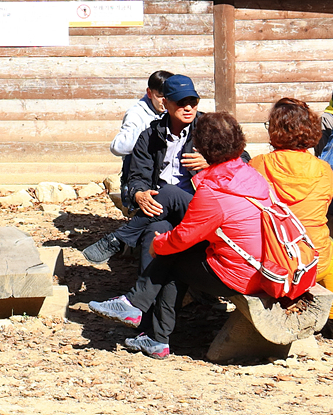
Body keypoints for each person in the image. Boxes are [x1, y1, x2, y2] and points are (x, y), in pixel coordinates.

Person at [88, 111, 272, 359]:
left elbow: (183, 238)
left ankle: (147, 324)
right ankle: (145, 323)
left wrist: (158, 244)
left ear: (203, 149)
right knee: (167, 222)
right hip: (259, 264)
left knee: (172, 256)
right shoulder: (247, 173)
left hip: (239, 274)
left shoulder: (212, 190)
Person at [250, 98, 333, 341]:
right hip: (314, 261)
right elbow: (322, 207)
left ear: (274, 130)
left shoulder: (258, 165)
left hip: (274, 260)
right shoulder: (323, 169)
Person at [80, 74, 207, 266]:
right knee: (156, 230)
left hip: (201, 205)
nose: (188, 107)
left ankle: (119, 239)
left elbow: (241, 160)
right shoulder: (150, 135)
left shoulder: (210, 128)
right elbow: (138, 175)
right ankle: (145, 286)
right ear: (166, 103)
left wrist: (211, 163)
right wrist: (139, 194)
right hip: (160, 208)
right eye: (181, 102)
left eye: (193, 101)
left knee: (169, 193)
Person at [113, 70, 173, 208]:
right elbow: (117, 147)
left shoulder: (177, 109)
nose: (165, 102)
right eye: (160, 97)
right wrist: (149, 129)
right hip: (142, 175)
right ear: (149, 93)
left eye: (169, 97)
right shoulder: (137, 115)